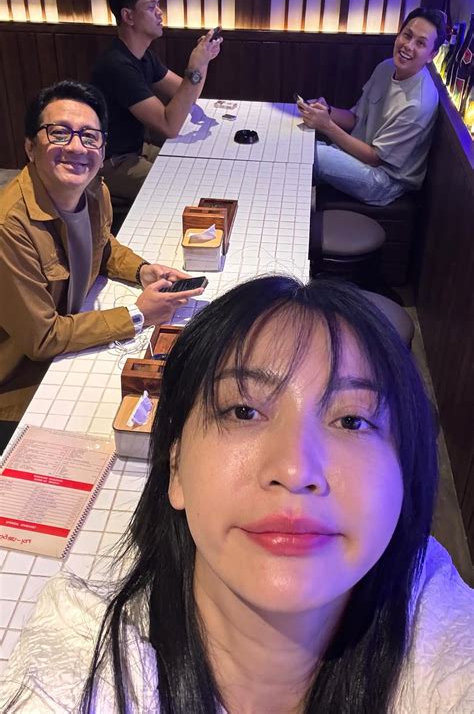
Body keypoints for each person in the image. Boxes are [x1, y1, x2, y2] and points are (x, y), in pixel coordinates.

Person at [1, 276, 472, 713]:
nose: (294, 470)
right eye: (243, 411)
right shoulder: (85, 657)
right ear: (175, 466)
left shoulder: (434, 614)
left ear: (405, 472)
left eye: (352, 421)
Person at [0, 80, 204, 443]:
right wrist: (138, 315)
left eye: (89, 136)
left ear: (102, 148)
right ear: (31, 147)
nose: (76, 147)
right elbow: (42, 339)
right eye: (59, 133)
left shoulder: (95, 190)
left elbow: (102, 244)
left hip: (70, 348)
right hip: (22, 387)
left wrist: (142, 271)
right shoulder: (8, 229)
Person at [92, 0, 222, 203]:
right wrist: (194, 66)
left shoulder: (144, 57)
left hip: (135, 148)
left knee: (197, 164)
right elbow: (169, 126)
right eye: (151, 7)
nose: (160, 12)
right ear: (128, 16)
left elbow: (188, 95)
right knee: (184, 187)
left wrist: (203, 61)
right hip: (111, 162)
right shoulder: (118, 66)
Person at [299, 8, 447, 205]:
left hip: (384, 180)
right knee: (301, 146)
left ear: (432, 55)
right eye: (407, 35)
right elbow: (356, 118)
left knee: (312, 154)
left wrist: (327, 126)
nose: (408, 46)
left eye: (420, 43)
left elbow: (375, 158)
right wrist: (327, 111)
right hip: (357, 155)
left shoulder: (418, 103)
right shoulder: (386, 67)